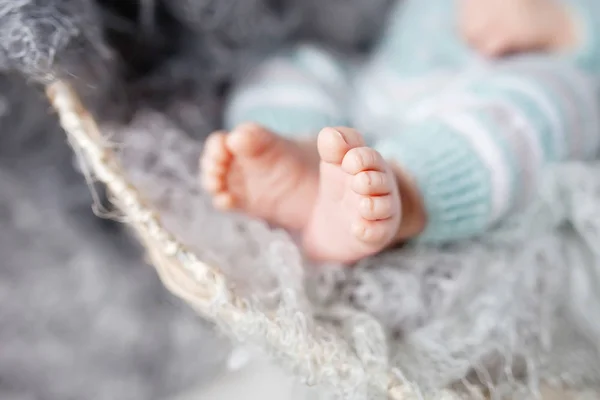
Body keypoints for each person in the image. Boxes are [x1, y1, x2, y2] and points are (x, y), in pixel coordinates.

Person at [200, 0, 600, 263]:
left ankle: (404, 192)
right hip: (380, 86)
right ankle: (306, 163)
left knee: (542, 108)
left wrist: (569, 26)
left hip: (515, 83)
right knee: (286, 69)